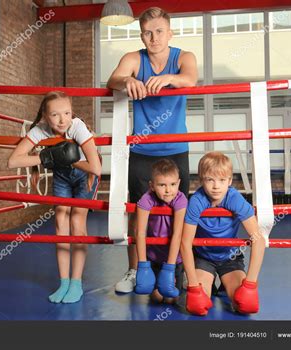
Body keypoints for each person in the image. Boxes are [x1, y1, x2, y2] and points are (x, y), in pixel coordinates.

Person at [106, 7, 198, 293]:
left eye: (159, 31)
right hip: (143, 150)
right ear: (141, 35)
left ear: (169, 33)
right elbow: (113, 80)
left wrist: (171, 79)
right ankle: (135, 270)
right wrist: (128, 81)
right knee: (138, 210)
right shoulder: (134, 58)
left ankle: (178, 268)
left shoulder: (183, 57)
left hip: (175, 149)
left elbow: (191, 78)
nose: (154, 37)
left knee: (178, 211)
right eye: (148, 32)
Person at [8, 91, 101, 304]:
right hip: (61, 177)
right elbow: (13, 161)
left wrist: (70, 159)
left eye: (67, 113)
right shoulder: (40, 130)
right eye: (56, 115)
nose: (62, 120)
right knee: (60, 224)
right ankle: (64, 282)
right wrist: (45, 156)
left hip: (84, 175)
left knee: (77, 224)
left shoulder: (77, 126)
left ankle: (76, 283)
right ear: (45, 115)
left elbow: (95, 167)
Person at [180, 152, 265, 315]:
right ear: (201, 180)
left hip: (230, 258)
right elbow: (185, 243)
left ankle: (225, 285)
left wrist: (250, 284)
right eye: (210, 180)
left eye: (222, 180)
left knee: (245, 306)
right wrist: (193, 285)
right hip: (204, 258)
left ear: (230, 181)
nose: (216, 186)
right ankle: (206, 282)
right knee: (198, 308)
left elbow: (258, 239)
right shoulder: (196, 201)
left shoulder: (235, 199)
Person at [134, 159, 187, 304]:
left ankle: (178, 281)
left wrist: (170, 268)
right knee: (156, 298)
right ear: (152, 186)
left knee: (171, 299)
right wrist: (143, 264)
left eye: (173, 184)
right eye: (162, 185)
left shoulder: (180, 199)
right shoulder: (146, 200)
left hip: (175, 259)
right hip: (153, 257)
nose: (168, 190)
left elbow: (177, 234)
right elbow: (140, 232)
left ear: (179, 183)